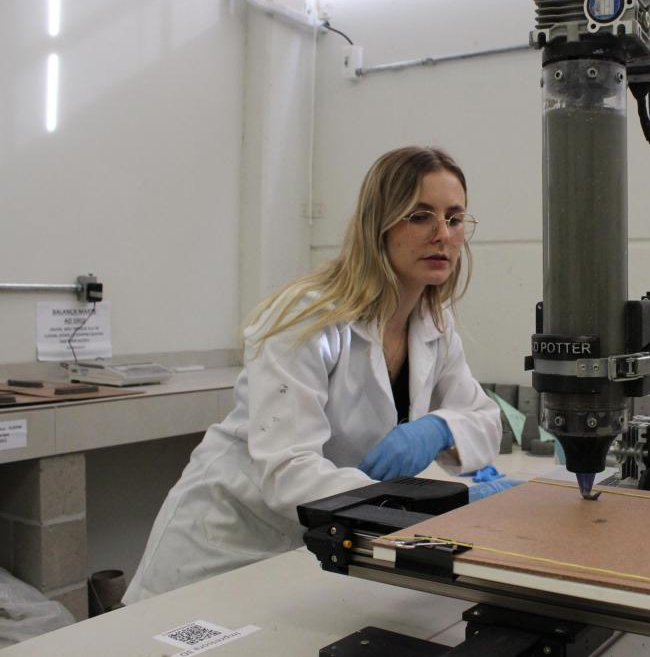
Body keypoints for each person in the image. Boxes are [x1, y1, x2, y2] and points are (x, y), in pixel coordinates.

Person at [124, 146, 512, 603]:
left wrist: (440, 427)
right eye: (420, 215)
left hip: (319, 543)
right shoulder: (308, 318)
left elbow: (485, 422)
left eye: (454, 218)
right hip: (223, 548)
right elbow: (290, 475)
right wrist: (431, 502)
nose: (442, 235)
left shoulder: (433, 328)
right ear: (380, 223)